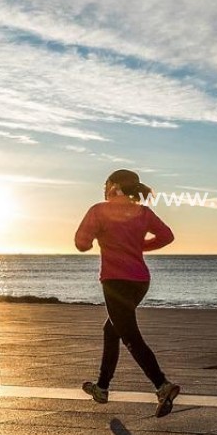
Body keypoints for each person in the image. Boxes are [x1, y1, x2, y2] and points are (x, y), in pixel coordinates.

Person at [73, 169, 182, 416]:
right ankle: (101, 388)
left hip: (115, 281)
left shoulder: (99, 210)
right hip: (140, 281)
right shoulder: (142, 212)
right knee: (111, 329)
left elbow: (81, 244)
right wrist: (140, 245)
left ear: (112, 185)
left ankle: (162, 385)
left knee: (130, 335)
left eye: (105, 183)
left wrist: (93, 240)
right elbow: (167, 236)